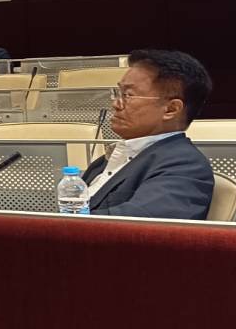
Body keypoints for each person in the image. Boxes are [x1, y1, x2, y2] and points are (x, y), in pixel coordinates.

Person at [80, 50, 216, 220]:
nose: (116, 104)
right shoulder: (109, 158)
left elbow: (137, 226)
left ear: (171, 109)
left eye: (128, 95)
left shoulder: (185, 166)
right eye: (117, 93)